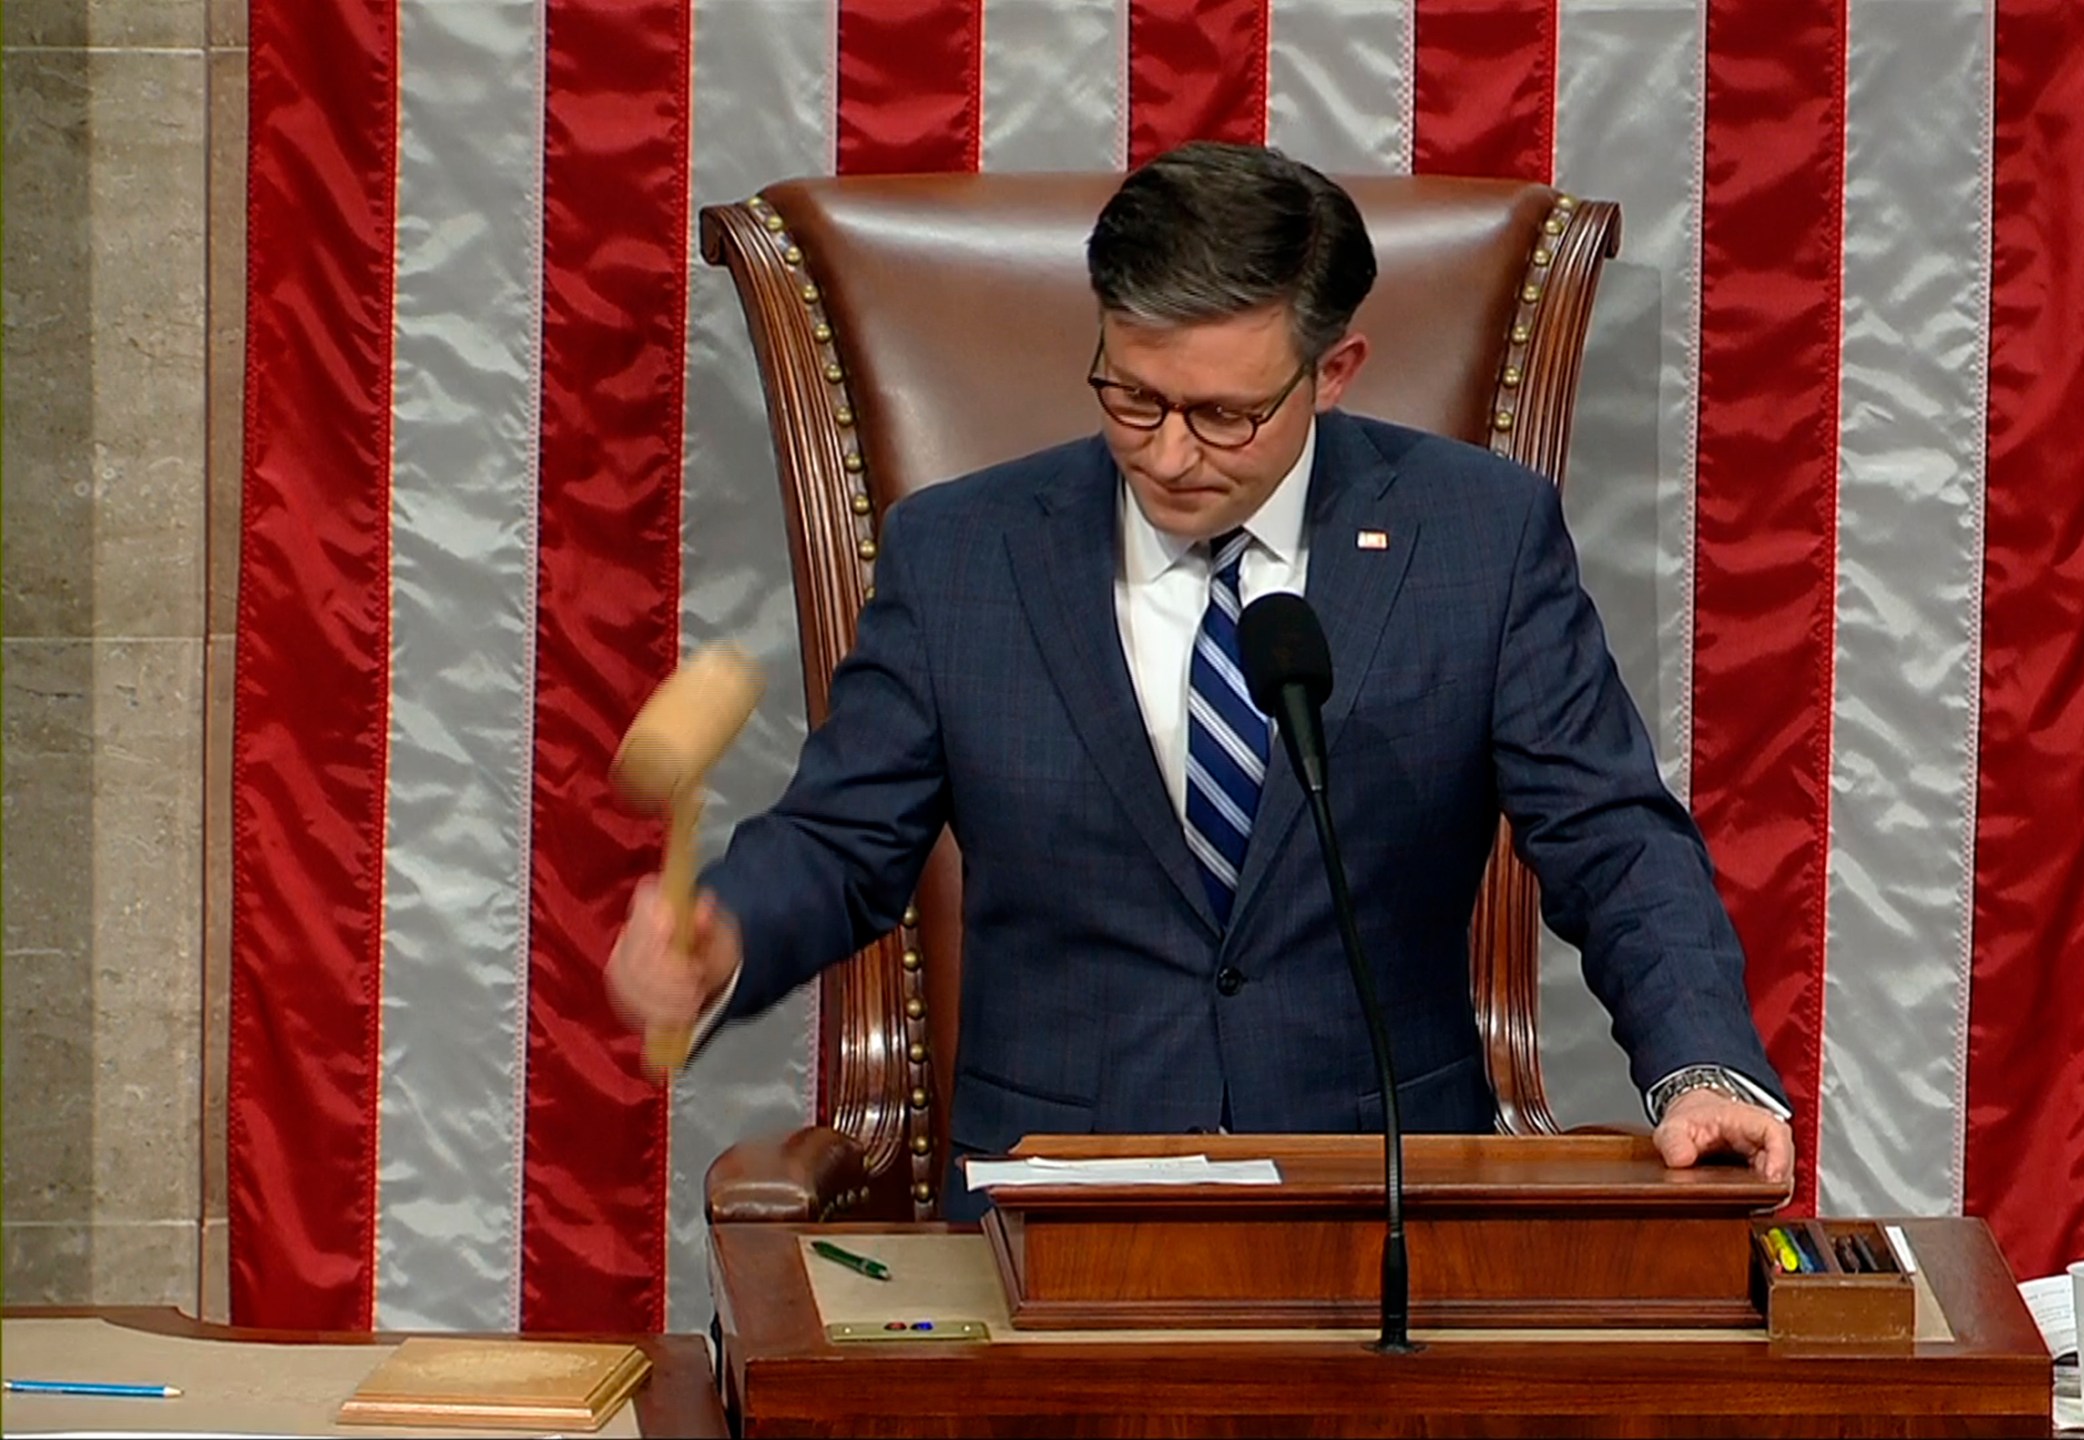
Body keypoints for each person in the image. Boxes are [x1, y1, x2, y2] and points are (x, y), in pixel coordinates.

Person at [607, 141, 1793, 1218]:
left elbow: (1609, 835)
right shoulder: (966, 552)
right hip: (1055, 1206)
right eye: (1132, 396)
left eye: (1225, 414)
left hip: (1378, 1201)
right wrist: (723, 935)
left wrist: (1701, 1067)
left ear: (1335, 372)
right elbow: (842, 837)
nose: (1170, 454)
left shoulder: (1474, 539)